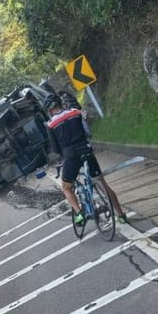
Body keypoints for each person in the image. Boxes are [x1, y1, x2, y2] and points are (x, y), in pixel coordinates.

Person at [44, 93, 127, 225]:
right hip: (86, 150)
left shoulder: (50, 124)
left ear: (49, 109)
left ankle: (79, 213)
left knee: (66, 187)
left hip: (71, 156)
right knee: (102, 184)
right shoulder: (75, 113)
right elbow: (88, 132)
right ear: (60, 103)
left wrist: (63, 154)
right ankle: (121, 215)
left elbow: (55, 148)